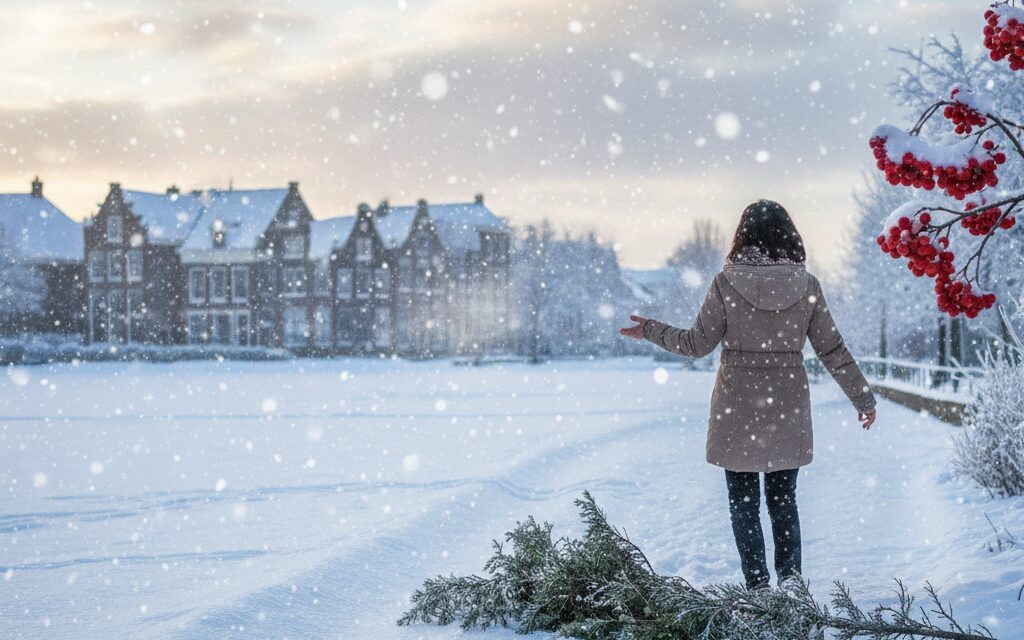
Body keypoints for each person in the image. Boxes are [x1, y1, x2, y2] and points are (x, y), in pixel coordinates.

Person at [619, 199, 877, 592]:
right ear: (790, 236)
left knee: (743, 504)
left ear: (743, 237)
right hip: (787, 405)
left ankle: (758, 590)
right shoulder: (807, 285)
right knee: (783, 500)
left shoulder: (726, 283)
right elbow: (832, 349)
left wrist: (651, 329)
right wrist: (863, 399)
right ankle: (791, 586)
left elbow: (695, 344)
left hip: (736, 405)